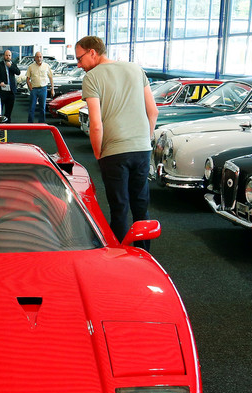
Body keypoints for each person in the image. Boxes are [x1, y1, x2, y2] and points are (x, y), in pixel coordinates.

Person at [75, 35, 158, 250]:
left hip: (114, 152)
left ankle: (119, 258)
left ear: (93, 52)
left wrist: (97, 153)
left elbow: (96, 124)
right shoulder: (135, 69)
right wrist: (144, 140)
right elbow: (153, 112)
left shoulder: (92, 78)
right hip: (141, 149)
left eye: (80, 58)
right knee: (141, 207)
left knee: (119, 208)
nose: (79, 64)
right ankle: (143, 255)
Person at [0, 50, 20, 122]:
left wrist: (11, 67)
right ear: (4, 56)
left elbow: (18, 72)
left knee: (9, 111)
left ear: (11, 56)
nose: (8, 57)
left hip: (11, 91)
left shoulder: (13, 64)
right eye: (6, 55)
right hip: (1, 91)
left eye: (9, 55)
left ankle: (8, 125)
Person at [25, 51, 54, 123]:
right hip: (34, 89)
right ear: (35, 58)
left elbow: (51, 78)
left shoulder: (46, 66)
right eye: (37, 57)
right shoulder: (31, 67)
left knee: (42, 108)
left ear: (42, 57)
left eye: (40, 57)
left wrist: (52, 89)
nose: (39, 58)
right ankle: (30, 123)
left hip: (43, 89)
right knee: (32, 107)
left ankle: (41, 123)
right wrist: (30, 88)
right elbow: (27, 79)